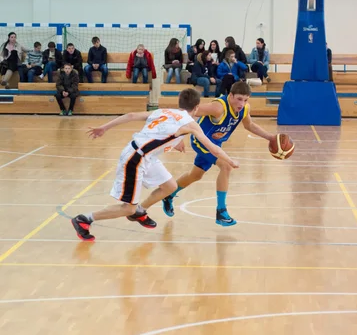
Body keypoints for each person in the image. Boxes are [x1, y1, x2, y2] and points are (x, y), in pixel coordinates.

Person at [71, 88, 238, 242]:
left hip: (146, 155)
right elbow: (214, 149)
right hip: (135, 159)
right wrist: (230, 161)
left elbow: (131, 115)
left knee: (170, 186)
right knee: (128, 208)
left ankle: (140, 211)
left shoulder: (165, 111)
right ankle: (85, 218)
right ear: (196, 108)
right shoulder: (191, 124)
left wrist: (104, 128)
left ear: (179, 103)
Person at [162, 81, 275, 227]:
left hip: (215, 144)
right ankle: (221, 212)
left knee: (195, 175)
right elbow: (187, 112)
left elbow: (249, 125)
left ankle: (168, 194)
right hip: (201, 141)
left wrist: (270, 137)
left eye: (246, 100)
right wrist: (176, 137)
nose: (242, 103)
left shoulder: (244, 109)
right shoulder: (218, 107)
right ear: (231, 95)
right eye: (239, 99)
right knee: (226, 166)